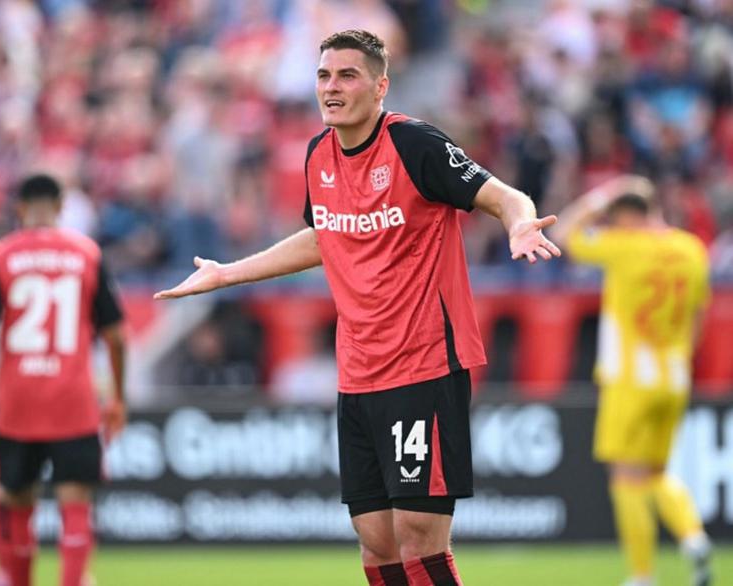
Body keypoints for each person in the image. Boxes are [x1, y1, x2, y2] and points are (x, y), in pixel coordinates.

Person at [155, 30, 560, 585]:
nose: (331, 87)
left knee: (420, 534)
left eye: (347, 75)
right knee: (376, 546)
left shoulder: (415, 145)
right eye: (324, 76)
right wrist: (229, 273)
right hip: (359, 372)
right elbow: (323, 237)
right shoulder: (318, 155)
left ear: (380, 86)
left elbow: (502, 195)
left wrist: (519, 225)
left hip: (425, 364)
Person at [0, 174, 127, 586]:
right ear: (62, 207)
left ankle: (16, 579)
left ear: (20, 209)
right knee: (75, 502)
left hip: (18, 399)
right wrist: (117, 395)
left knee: (14, 501)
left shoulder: (2, 254)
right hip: (73, 398)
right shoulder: (87, 254)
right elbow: (116, 335)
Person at [553, 175, 712, 586]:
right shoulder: (691, 248)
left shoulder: (625, 246)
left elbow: (564, 233)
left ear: (625, 214)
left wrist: (600, 195)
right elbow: (698, 316)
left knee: (626, 476)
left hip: (630, 379)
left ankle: (642, 575)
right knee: (657, 473)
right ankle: (693, 538)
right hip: (675, 378)